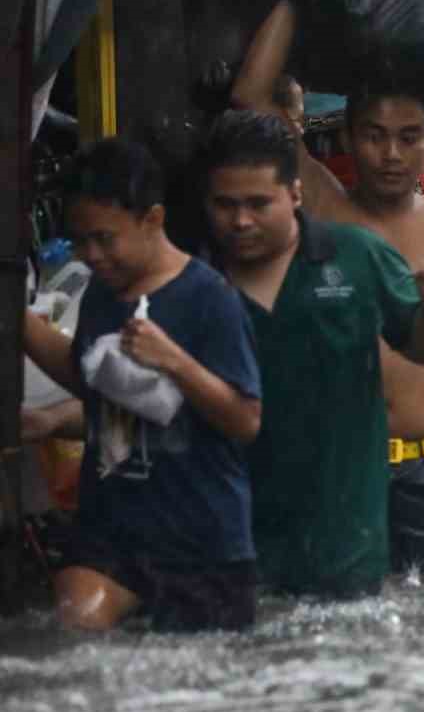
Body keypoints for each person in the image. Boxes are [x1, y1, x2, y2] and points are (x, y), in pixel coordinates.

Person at [233, 0, 424, 576]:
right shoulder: (322, 205)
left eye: (408, 137)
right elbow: (251, 101)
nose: (391, 153)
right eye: (374, 135)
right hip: (338, 463)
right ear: (348, 137)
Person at [202, 110, 424, 597]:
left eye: (258, 204)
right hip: (231, 544)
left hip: (344, 546)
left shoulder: (356, 257)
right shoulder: (196, 281)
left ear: (295, 195)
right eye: (225, 205)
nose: (240, 221)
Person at [21, 138, 262, 631]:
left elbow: (245, 421)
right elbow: (93, 377)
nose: (91, 255)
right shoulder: (101, 296)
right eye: (81, 240)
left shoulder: (210, 298)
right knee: (73, 625)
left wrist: (175, 362)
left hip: (202, 545)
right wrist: (20, 330)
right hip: (109, 536)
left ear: (152, 219)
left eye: (104, 239)